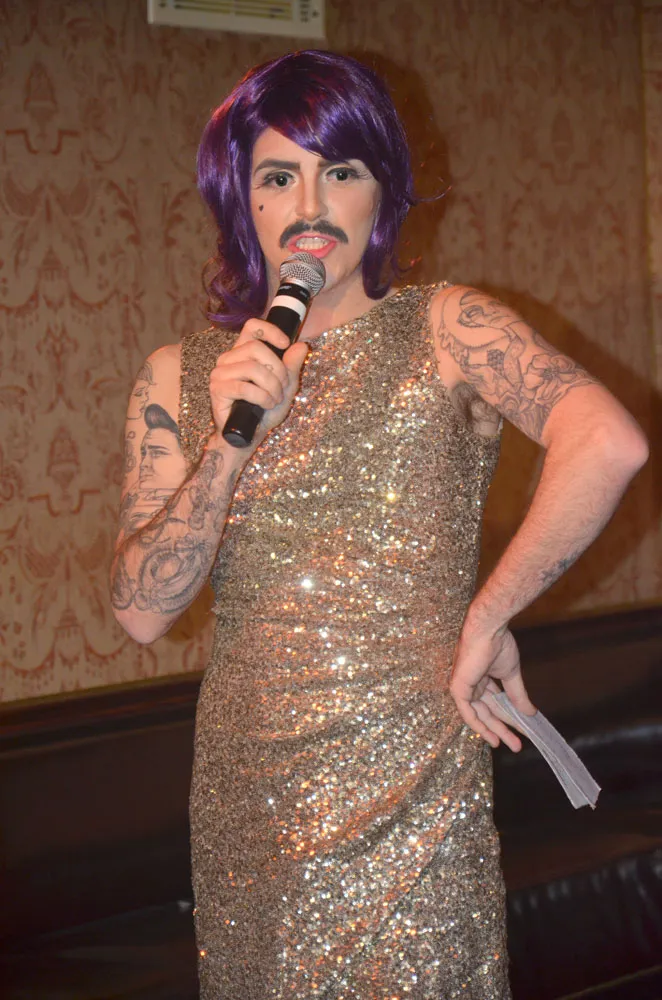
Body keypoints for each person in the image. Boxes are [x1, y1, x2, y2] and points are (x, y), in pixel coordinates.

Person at [110, 49, 648, 999]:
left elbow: (607, 443)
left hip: (415, 798)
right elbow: (143, 612)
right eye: (280, 177)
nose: (311, 205)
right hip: (249, 808)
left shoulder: (447, 327)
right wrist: (231, 445)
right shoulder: (178, 374)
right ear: (243, 200)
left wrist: (488, 616)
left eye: (342, 171)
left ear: (382, 191)